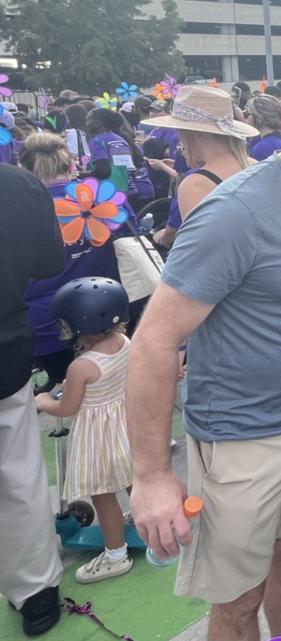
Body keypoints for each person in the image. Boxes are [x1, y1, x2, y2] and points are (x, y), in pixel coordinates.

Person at [127, 63, 281, 641]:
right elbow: (154, 341)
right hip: (239, 440)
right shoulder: (235, 211)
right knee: (237, 600)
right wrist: (153, 475)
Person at [0, 163, 65, 637]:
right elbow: (49, 262)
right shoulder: (15, 183)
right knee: (17, 472)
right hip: (5, 343)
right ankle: (36, 591)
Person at [35, 277, 135, 584]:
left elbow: (67, 408)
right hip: (126, 428)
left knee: (103, 495)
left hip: (99, 438)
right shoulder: (124, 343)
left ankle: (116, 555)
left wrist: (43, 401)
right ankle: (151, 524)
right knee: (135, 482)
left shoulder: (82, 365)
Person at [20, 133, 121, 391]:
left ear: (24, 168)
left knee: (70, 394)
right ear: (70, 165)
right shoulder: (101, 196)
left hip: (46, 325)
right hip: (108, 313)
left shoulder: (19, 208)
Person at [146, 86, 258, 249]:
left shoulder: (197, 184)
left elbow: (200, 254)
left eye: (180, 131)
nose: (179, 139)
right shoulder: (254, 165)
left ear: (197, 133)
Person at [84, 107, 154, 213]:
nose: (86, 124)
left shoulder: (97, 141)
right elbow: (124, 167)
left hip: (109, 195)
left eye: (88, 120)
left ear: (98, 123)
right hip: (129, 192)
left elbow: (104, 170)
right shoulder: (120, 140)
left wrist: (82, 175)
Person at [246, 94, 281, 161]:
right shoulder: (280, 137)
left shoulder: (263, 148)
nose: (245, 118)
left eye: (247, 114)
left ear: (259, 119)